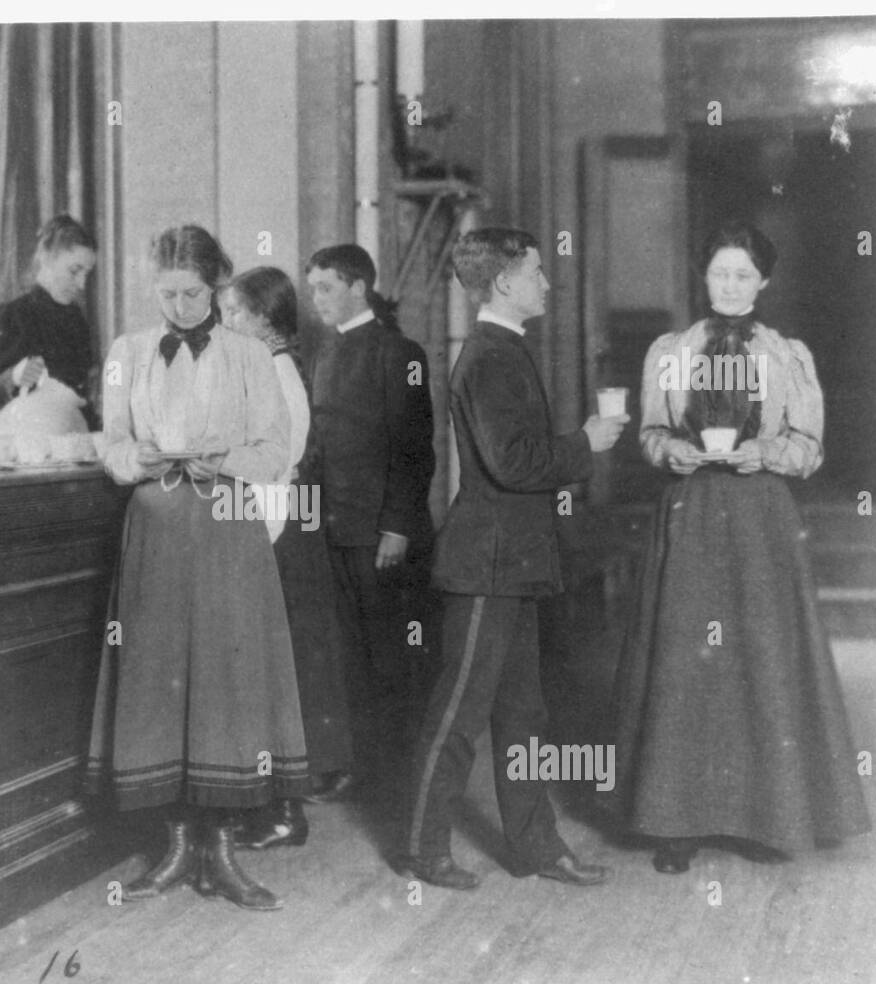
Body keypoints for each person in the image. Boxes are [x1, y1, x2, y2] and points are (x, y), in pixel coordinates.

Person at [611, 221, 870, 873]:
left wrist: (770, 452)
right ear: (704, 278)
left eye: (743, 275)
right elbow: (648, 432)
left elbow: (810, 447)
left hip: (761, 516)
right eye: (719, 273)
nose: (729, 286)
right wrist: (674, 450)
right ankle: (675, 822)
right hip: (692, 508)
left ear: (764, 282)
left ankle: (767, 815)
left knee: (761, 655)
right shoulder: (670, 350)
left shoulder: (788, 355)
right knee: (685, 661)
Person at [84, 225, 308, 911]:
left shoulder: (250, 354)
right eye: (167, 293)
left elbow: (275, 449)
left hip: (227, 526)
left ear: (218, 285)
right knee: (158, 678)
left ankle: (223, 850)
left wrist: (222, 461)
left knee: (227, 678)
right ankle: (177, 843)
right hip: (155, 525)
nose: (179, 306)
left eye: (193, 292)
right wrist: (139, 461)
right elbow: (112, 443)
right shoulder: (128, 352)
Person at [399, 227, 628, 891]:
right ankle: (422, 846)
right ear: (503, 283)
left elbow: (517, 458)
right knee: (459, 711)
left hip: (513, 562)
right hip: (487, 564)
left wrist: (579, 444)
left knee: (524, 715)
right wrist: (584, 443)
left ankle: (536, 847)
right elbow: (513, 463)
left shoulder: (503, 349)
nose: (546, 282)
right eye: (536, 271)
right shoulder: (490, 356)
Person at [219, 266, 355, 850]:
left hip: (276, 529)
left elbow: (278, 462)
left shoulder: (275, 372)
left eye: (232, 313)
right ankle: (271, 801)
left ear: (262, 318)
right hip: (275, 523)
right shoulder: (267, 368)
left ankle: (283, 810)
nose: (224, 322)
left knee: (280, 673)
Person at [304, 244, 435, 801]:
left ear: (358, 287)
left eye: (325, 289)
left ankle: (400, 778)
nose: (316, 301)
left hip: (383, 536)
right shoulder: (326, 355)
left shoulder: (400, 351)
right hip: (337, 529)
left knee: (392, 656)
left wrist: (398, 526)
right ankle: (360, 769)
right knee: (350, 656)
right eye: (312, 290)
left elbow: (414, 447)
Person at [0, 214, 99, 427]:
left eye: (87, 273)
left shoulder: (77, 320)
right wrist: (11, 378)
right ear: (46, 258)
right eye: (74, 271)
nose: (82, 284)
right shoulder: (10, 316)